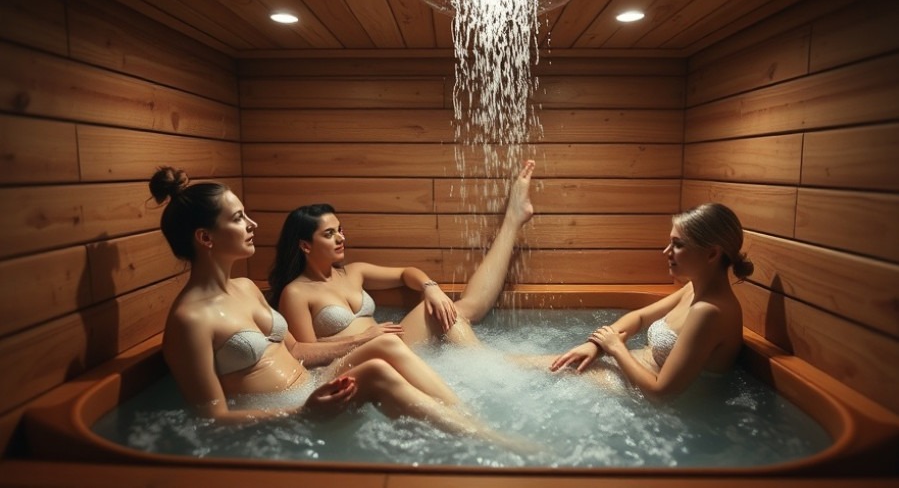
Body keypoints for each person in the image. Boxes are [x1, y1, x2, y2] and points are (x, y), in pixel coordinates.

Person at [148, 166, 524, 448]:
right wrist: (301, 412)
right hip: (292, 406)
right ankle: (493, 444)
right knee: (376, 369)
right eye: (238, 218)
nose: (252, 224)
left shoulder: (245, 287)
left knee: (388, 346)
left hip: (311, 383)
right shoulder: (189, 319)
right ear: (205, 237)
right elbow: (211, 417)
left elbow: (293, 350)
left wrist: (369, 337)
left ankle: (474, 423)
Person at [267, 160, 536, 355]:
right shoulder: (296, 293)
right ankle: (513, 368)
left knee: (453, 310)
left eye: (340, 230)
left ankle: (513, 219)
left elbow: (406, 273)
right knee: (461, 314)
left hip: (393, 348)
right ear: (305, 245)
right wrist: (363, 338)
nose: (340, 238)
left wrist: (431, 289)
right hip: (358, 360)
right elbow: (303, 350)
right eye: (329, 234)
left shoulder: (353, 272)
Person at [546, 203, 754, 399]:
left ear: (712, 254)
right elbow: (639, 316)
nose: (666, 252)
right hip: (627, 374)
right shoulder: (693, 289)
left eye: (678, 245)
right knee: (527, 366)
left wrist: (615, 347)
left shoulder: (709, 312)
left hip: (639, 394)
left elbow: (660, 393)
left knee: (533, 372)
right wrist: (596, 346)